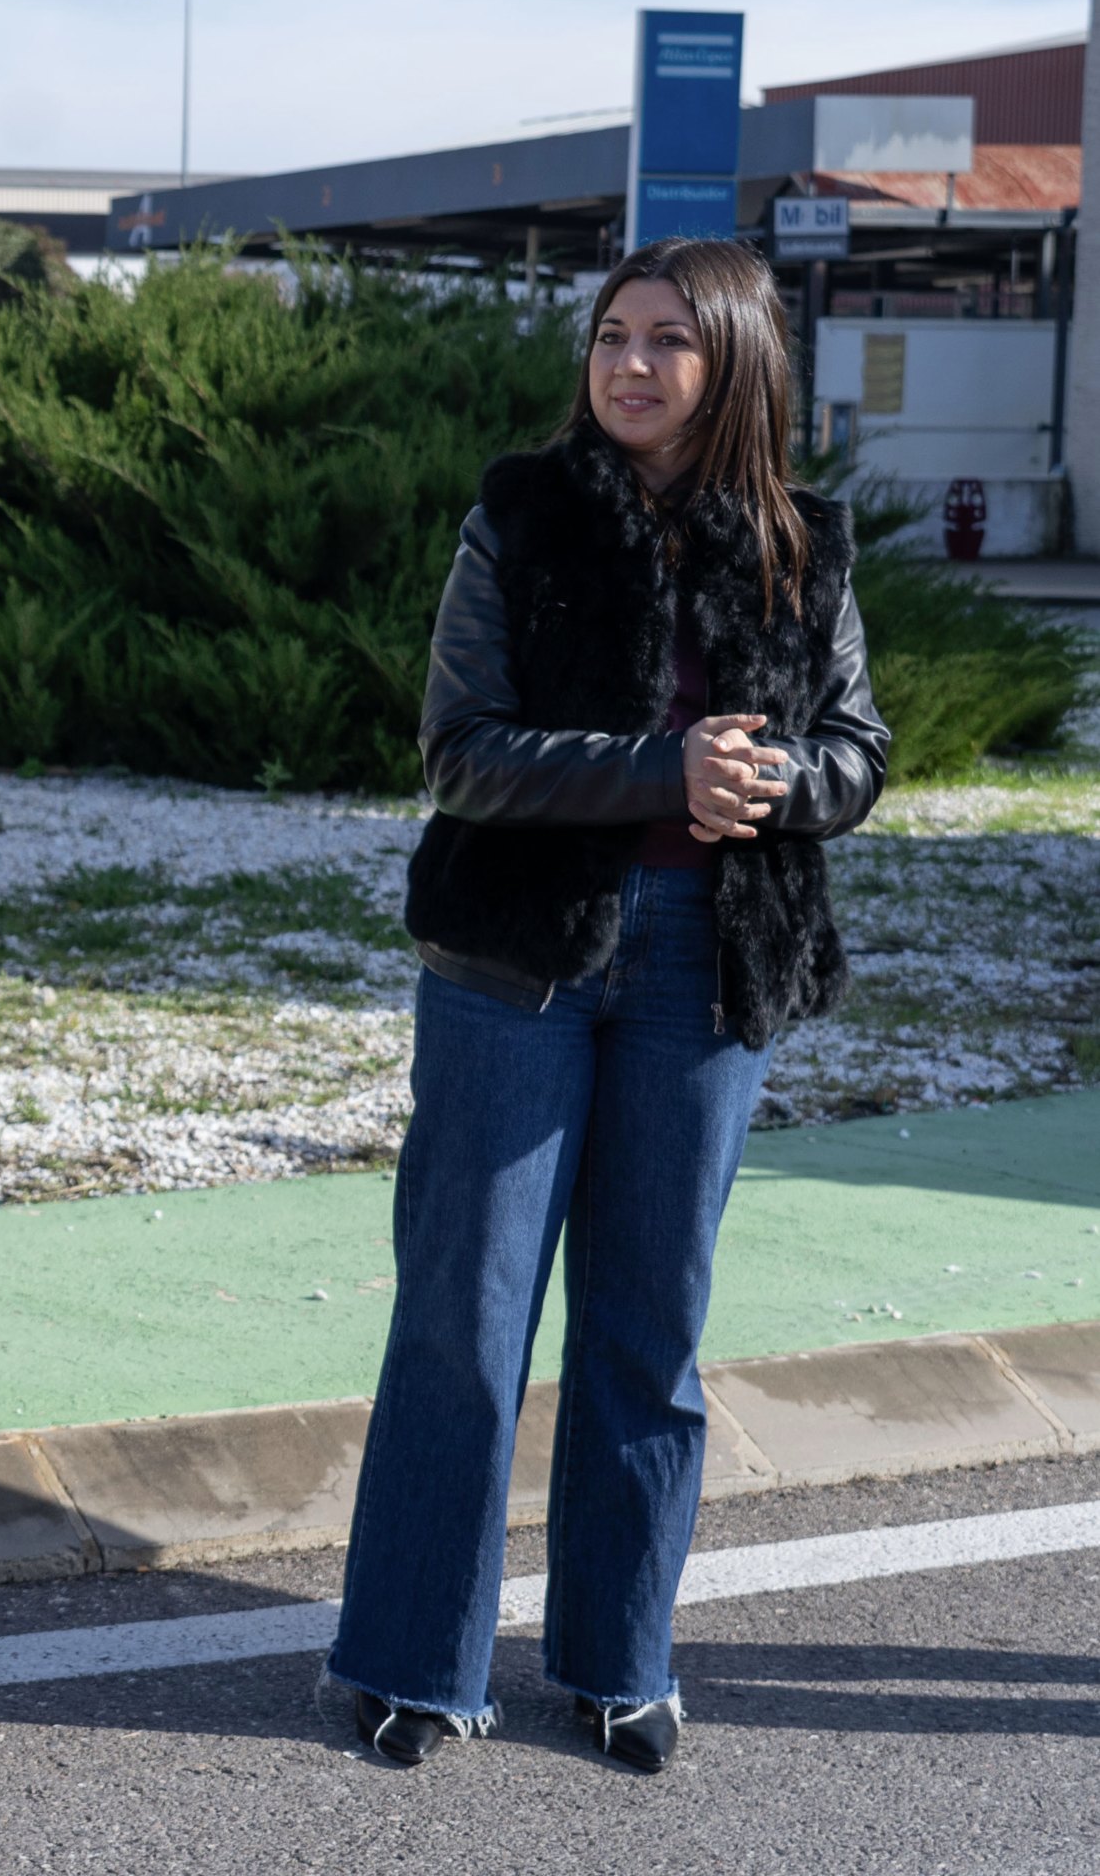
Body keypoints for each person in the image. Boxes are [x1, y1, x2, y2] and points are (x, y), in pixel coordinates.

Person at [331, 234, 890, 1776]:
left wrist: (776, 782)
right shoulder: (521, 514)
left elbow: (856, 750)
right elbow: (459, 750)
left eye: (666, 342)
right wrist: (659, 771)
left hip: (707, 968)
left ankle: (617, 1658)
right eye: (609, 337)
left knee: (650, 1328)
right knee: (465, 1320)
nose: (628, 366)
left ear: (736, 364)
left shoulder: (805, 545)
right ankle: (407, 1662)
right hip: (516, 965)